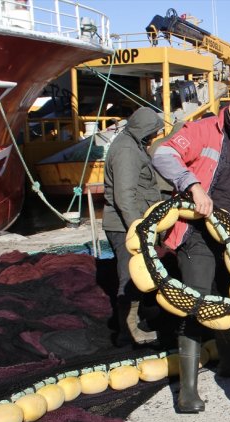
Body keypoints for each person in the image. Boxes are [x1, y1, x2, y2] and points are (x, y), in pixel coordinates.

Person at [152, 84, 230, 413]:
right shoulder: (202, 131)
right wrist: (191, 185)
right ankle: (187, 391)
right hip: (197, 233)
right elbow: (163, 154)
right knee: (197, 302)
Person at [102, 106, 164, 345]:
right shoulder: (127, 150)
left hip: (131, 223)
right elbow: (124, 196)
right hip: (125, 226)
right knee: (129, 277)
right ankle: (127, 332)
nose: (155, 136)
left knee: (139, 273)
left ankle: (138, 315)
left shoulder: (132, 143)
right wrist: (138, 229)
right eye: (154, 131)